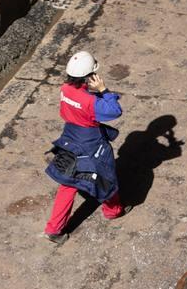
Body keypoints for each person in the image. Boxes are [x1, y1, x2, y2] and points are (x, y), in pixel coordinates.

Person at [43, 50, 127, 245]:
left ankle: (53, 229)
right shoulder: (92, 101)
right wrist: (103, 90)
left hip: (70, 138)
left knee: (68, 182)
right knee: (106, 176)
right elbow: (115, 111)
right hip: (91, 143)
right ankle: (113, 211)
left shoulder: (65, 89)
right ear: (89, 76)